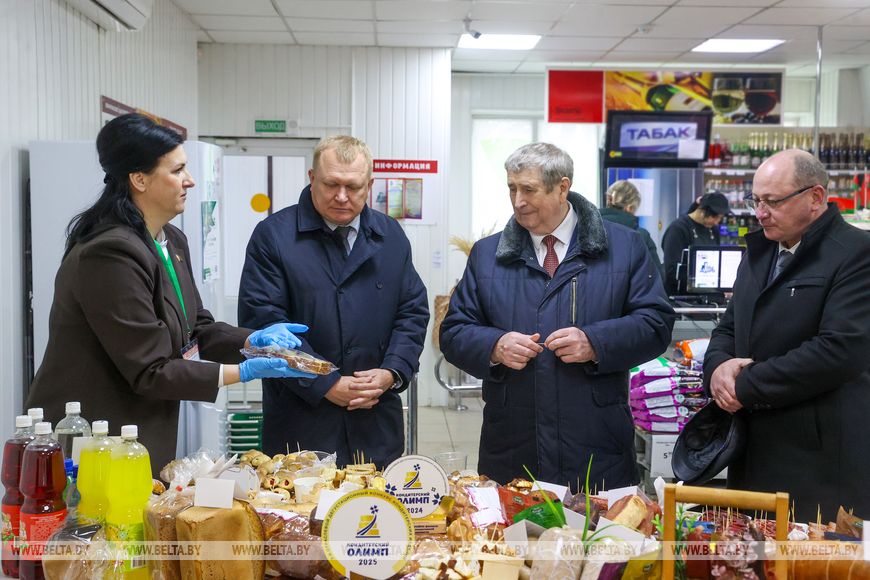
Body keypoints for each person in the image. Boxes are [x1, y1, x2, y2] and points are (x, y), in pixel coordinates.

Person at [26, 113, 314, 473]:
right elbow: (151, 371)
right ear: (139, 179)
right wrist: (243, 372)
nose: (190, 181)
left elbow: (196, 329)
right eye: (177, 171)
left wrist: (254, 339)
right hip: (94, 441)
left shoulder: (169, 240)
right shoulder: (110, 254)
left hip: (138, 435)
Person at [439, 143, 675, 490]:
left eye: (528, 189)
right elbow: (455, 331)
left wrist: (595, 342)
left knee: (598, 541)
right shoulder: (487, 255)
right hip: (512, 446)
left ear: (562, 187)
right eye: (511, 188)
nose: (517, 200)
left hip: (596, 443)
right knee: (511, 542)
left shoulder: (624, 247)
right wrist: (495, 345)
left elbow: (655, 323)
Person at [238, 135, 429, 468]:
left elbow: (411, 311)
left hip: (374, 421)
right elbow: (264, 325)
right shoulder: (274, 237)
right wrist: (325, 381)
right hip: (300, 423)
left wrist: (391, 371)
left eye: (353, 187)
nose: (342, 197)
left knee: (377, 514)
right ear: (312, 178)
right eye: (331, 184)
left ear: (369, 185)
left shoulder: (391, 236)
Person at [704, 149, 870, 522]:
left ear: (815, 198)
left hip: (817, 458)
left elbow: (838, 350)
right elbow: (729, 327)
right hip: (750, 448)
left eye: (773, 202)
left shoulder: (856, 254)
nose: (760, 212)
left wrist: (742, 387)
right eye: (756, 200)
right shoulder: (759, 252)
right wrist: (716, 372)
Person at [660, 192, 729, 295]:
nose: (716, 222)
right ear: (702, 211)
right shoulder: (678, 229)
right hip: (681, 296)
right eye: (715, 217)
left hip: (707, 295)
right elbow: (672, 270)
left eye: (720, 219)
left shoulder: (713, 231)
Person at [600, 180, 664, 279]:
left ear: (608, 200)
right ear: (630, 208)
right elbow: (657, 277)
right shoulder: (641, 236)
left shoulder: (586, 230)